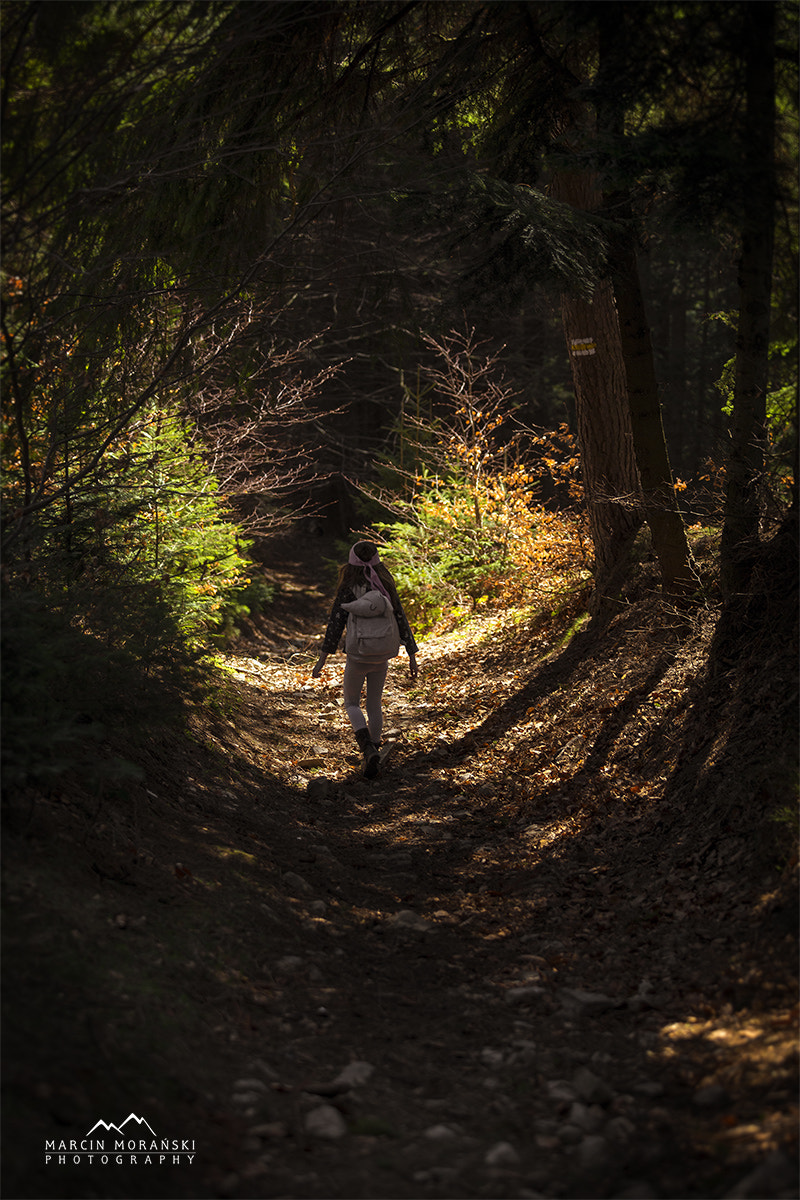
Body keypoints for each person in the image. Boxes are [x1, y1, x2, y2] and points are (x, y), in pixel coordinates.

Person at [312, 540, 419, 777]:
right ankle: (376, 750)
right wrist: (412, 654)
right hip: (382, 654)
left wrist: (321, 660)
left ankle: (367, 748)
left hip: (358, 655)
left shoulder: (349, 586)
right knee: (374, 703)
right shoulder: (385, 584)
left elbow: (336, 623)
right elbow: (400, 616)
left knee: (351, 703)